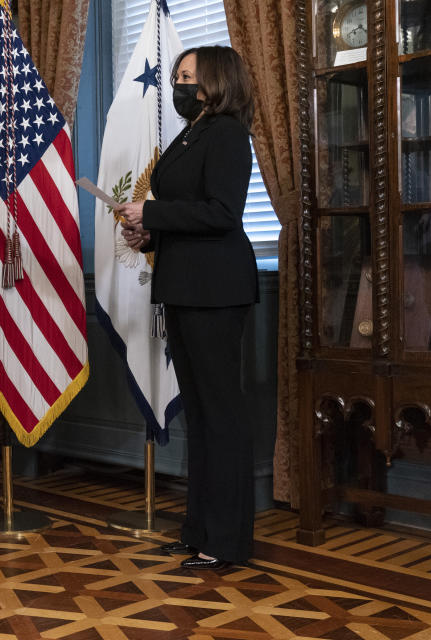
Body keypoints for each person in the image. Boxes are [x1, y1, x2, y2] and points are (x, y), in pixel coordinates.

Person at [116, 45, 258, 570]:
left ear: (217, 81)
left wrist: (152, 211)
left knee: (220, 415)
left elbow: (222, 212)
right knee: (200, 414)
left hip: (217, 289)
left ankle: (226, 541)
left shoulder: (226, 133)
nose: (178, 84)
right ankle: (199, 529)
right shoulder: (193, 131)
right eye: (177, 75)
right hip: (185, 283)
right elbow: (188, 212)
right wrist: (149, 235)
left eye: (188, 76)